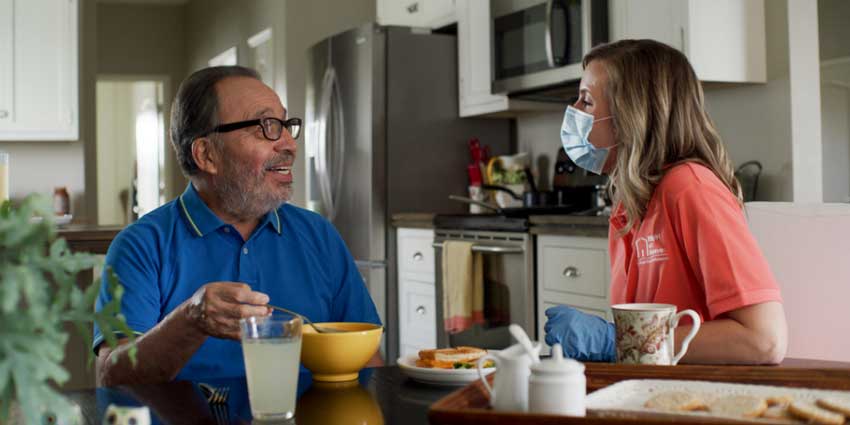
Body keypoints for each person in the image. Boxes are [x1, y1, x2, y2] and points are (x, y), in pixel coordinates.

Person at [94, 66, 381, 385]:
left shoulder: (319, 235)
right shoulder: (140, 245)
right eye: (267, 126)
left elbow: (369, 359)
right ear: (206, 155)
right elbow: (112, 376)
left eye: (286, 125)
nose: (289, 144)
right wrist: (190, 321)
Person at [545, 39, 787, 365]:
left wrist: (615, 340)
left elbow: (764, 340)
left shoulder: (691, 188)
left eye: (586, 102)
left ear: (632, 114)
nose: (573, 112)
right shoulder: (628, 206)